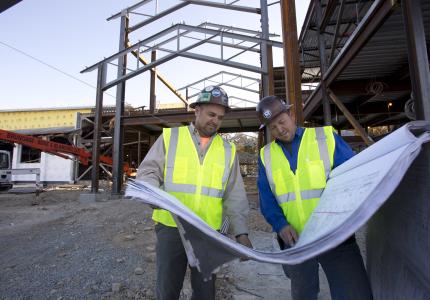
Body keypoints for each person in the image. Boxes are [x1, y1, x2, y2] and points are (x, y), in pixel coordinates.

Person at [136, 85, 253, 300]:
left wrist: (241, 232)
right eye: (211, 114)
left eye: (219, 117)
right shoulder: (172, 138)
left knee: (205, 292)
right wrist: (150, 191)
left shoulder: (228, 151)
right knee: (167, 288)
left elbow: (234, 194)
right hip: (171, 227)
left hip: (209, 231)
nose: (215, 121)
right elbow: (148, 170)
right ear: (197, 110)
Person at [256, 95, 373, 300]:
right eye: (272, 127)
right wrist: (280, 225)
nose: (280, 130)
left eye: (282, 122)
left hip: (335, 236)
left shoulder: (325, 138)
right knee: (303, 294)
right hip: (296, 241)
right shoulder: (266, 155)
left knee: (354, 293)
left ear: (291, 115)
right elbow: (267, 198)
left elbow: (354, 178)